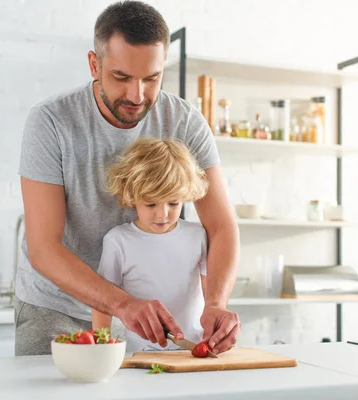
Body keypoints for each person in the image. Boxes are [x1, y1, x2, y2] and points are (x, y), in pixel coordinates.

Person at [16, 0, 240, 356]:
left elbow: (222, 227)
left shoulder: (185, 122)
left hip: (151, 320)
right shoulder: (51, 122)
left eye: (151, 79)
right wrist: (121, 305)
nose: (137, 95)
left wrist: (215, 302)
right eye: (121, 77)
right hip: (57, 308)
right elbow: (44, 249)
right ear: (94, 64)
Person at [92, 139, 210, 353]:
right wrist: (101, 345)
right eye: (151, 204)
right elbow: (102, 301)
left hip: (191, 349)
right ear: (132, 196)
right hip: (139, 351)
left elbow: (209, 292)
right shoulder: (118, 241)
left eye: (173, 203)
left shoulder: (198, 236)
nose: (163, 214)